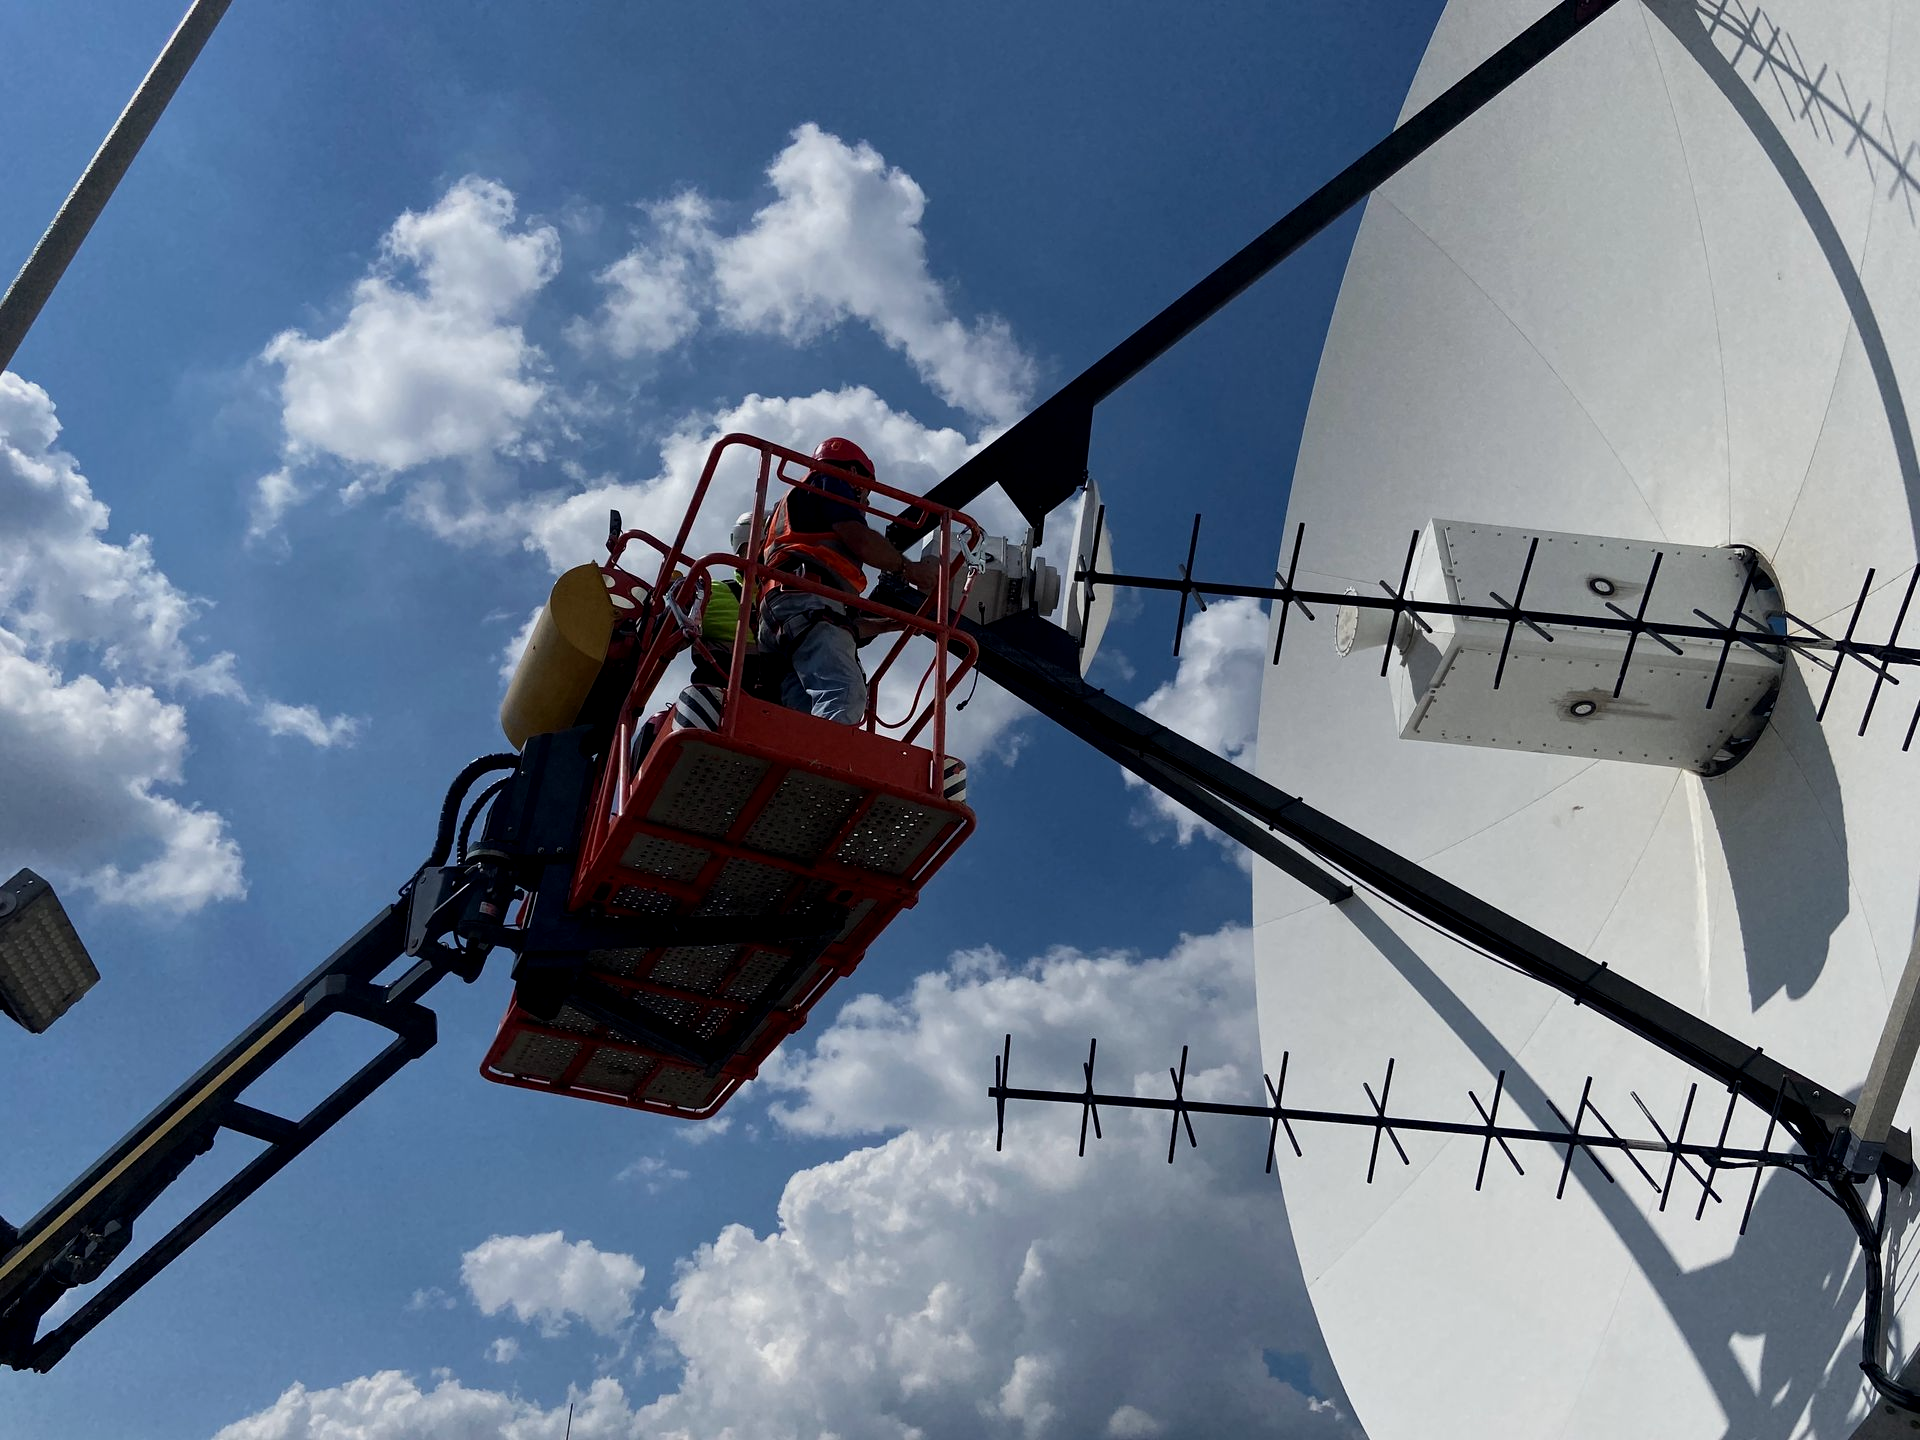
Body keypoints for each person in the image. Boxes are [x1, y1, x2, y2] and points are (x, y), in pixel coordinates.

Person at [757, 437, 941, 725]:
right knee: (844, 691)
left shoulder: (791, 507)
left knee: (805, 709)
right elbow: (857, 537)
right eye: (865, 492)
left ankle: (800, 760)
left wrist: (891, 624)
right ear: (854, 474)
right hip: (806, 600)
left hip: (781, 618)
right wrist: (910, 569)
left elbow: (836, 625)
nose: (865, 502)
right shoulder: (831, 480)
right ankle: (819, 765)